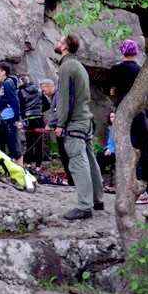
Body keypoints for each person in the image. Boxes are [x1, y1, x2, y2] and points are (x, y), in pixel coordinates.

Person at [54, 34, 105, 220]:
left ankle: (84, 206)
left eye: (59, 42)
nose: (57, 44)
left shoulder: (66, 67)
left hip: (75, 122)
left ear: (65, 47)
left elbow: (65, 98)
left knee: (78, 162)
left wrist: (60, 123)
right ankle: (98, 200)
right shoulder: (79, 66)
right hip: (86, 119)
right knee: (90, 160)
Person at [106, 38, 148, 205]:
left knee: (126, 149)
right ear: (136, 52)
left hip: (123, 113)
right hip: (140, 113)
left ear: (122, 52)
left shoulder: (116, 70)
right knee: (143, 149)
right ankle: (145, 188)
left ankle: (128, 188)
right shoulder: (140, 70)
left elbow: (109, 90)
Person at [41, 78, 74, 186]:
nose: (43, 92)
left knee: (66, 155)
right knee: (64, 156)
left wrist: (49, 124)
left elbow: (59, 112)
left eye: (43, 89)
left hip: (64, 130)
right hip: (60, 128)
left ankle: (72, 180)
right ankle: (71, 180)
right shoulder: (54, 96)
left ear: (49, 86)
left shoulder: (59, 94)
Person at [0, 63, 23, 165]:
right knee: (5, 145)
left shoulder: (7, 83)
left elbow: (15, 101)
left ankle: (20, 172)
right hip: (3, 119)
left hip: (10, 119)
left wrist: (16, 120)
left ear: (3, 72)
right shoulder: (2, 85)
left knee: (14, 146)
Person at [18, 74, 47, 169]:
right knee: (39, 144)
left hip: (28, 119)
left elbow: (21, 107)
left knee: (30, 142)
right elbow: (47, 104)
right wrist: (39, 111)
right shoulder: (39, 90)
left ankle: (29, 164)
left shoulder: (21, 91)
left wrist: (23, 119)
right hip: (39, 119)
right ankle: (38, 166)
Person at [96, 111, 116, 186]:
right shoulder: (110, 128)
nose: (113, 119)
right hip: (110, 151)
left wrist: (111, 150)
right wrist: (107, 149)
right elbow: (110, 143)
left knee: (101, 157)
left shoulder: (121, 129)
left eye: (114, 117)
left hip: (117, 153)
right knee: (100, 154)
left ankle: (98, 177)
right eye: (111, 117)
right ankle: (98, 177)